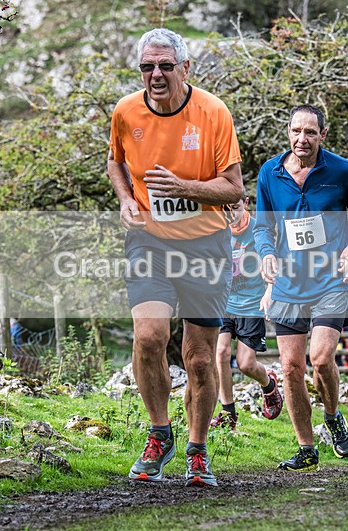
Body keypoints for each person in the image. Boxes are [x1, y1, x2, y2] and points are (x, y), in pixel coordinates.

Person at [107, 28, 244, 487]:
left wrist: (184, 188)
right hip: (150, 240)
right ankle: (159, 431)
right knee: (149, 335)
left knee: (200, 359)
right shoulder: (126, 111)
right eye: (148, 66)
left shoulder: (213, 113)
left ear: (186, 67)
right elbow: (115, 160)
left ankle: (198, 450)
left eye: (165, 65)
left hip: (206, 244)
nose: (156, 74)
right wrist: (127, 198)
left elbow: (234, 188)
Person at [254, 104, 348, 471]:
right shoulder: (270, 173)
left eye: (309, 132)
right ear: (287, 132)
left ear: (323, 134)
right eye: (295, 131)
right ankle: (307, 448)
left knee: (320, 358)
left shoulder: (341, 170)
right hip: (289, 282)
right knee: (290, 368)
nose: (301, 139)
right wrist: (266, 254)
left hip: (331, 280)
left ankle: (334, 417)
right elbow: (262, 226)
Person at [211, 195, 283, 430]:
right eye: (226, 208)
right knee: (220, 352)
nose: (231, 213)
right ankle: (228, 413)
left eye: (235, 207)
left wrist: (270, 291)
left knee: (245, 364)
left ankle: (268, 383)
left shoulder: (258, 230)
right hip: (224, 302)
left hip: (252, 304)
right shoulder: (217, 228)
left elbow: (273, 261)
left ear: (246, 203)